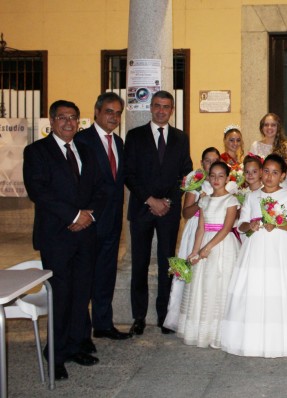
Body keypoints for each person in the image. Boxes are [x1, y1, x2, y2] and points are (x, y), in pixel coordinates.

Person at [23, 100, 107, 380]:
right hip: (56, 236)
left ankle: (75, 345)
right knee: (60, 295)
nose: (69, 122)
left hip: (86, 235)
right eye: (62, 118)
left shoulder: (86, 150)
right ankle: (55, 355)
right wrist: (73, 216)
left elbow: (100, 187)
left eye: (73, 117)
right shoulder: (37, 151)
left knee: (82, 293)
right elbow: (39, 191)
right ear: (51, 121)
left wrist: (88, 216)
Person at [220, 154, 287, 357]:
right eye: (266, 171)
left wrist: (278, 223)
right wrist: (251, 224)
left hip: (281, 248)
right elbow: (241, 225)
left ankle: (284, 339)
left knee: (280, 289)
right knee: (256, 288)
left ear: (282, 175)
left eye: (275, 173)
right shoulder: (251, 196)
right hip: (256, 248)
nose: (269, 176)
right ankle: (253, 338)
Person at [124, 90, 193, 335]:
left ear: (172, 110)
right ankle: (139, 317)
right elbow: (128, 173)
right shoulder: (134, 136)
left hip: (169, 210)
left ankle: (165, 316)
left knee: (167, 263)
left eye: (166, 106)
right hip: (142, 209)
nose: (161, 110)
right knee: (139, 264)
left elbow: (186, 173)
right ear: (151, 108)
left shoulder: (181, 138)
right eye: (157, 106)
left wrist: (168, 201)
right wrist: (150, 200)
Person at [74, 93, 131, 346]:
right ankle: (81, 332)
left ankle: (103, 324)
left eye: (118, 113)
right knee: (84, 276)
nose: (114, 117)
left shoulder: (118, 142)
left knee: (106, 274)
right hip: (88, 220)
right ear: (96, 112)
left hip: (112, 221)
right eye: (109, 111)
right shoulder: (80, 141)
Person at [178, 161, 241, 348]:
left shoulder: (231, 200)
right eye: (212, 175)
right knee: (203, 286)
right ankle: (203, 330)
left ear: (227, 178)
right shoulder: (204, 200)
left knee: (220, 283)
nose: (216, 179)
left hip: (222, 244)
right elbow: (200, 228)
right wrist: (195, 251)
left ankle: (221, 333)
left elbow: (227, 227)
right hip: (205, 239)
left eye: (221, 176)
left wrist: (208, 247)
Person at [162, 147, 220, 330]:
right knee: (192, 272)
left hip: (213, 229)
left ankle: (208, 318)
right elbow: (185, 213)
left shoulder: (223, 182)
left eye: (214, 160)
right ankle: (184, 317)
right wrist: (199, 202)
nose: (210, 164)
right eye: (207, 161)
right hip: (195, 227)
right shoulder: (196, 183)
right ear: (202, 163)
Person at [249, 113, 287, 179]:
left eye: (273, 125)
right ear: (262, 128)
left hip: (280, 185)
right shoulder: (255, 146)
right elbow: (251, 169)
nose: (269, 128)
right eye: (266, 125)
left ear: (278, 128)